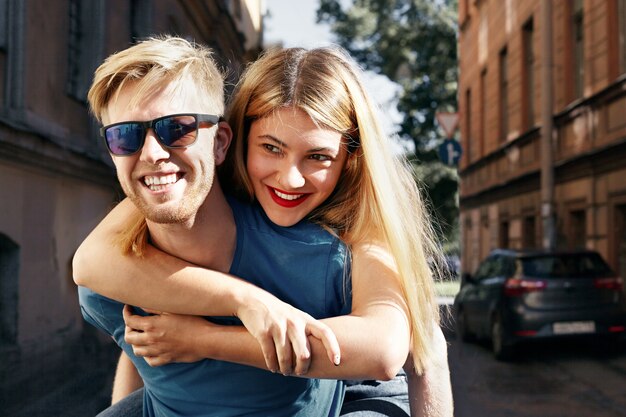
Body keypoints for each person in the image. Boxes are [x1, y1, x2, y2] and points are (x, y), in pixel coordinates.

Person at [75, 38, 452, 416]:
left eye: (318, 156)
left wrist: (204, 339)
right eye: (271, 148)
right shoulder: (165, 194)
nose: (289, 179)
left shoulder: (351, 235)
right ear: (238, 140)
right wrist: (247, 302)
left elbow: (391, 349)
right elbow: (94, 273)